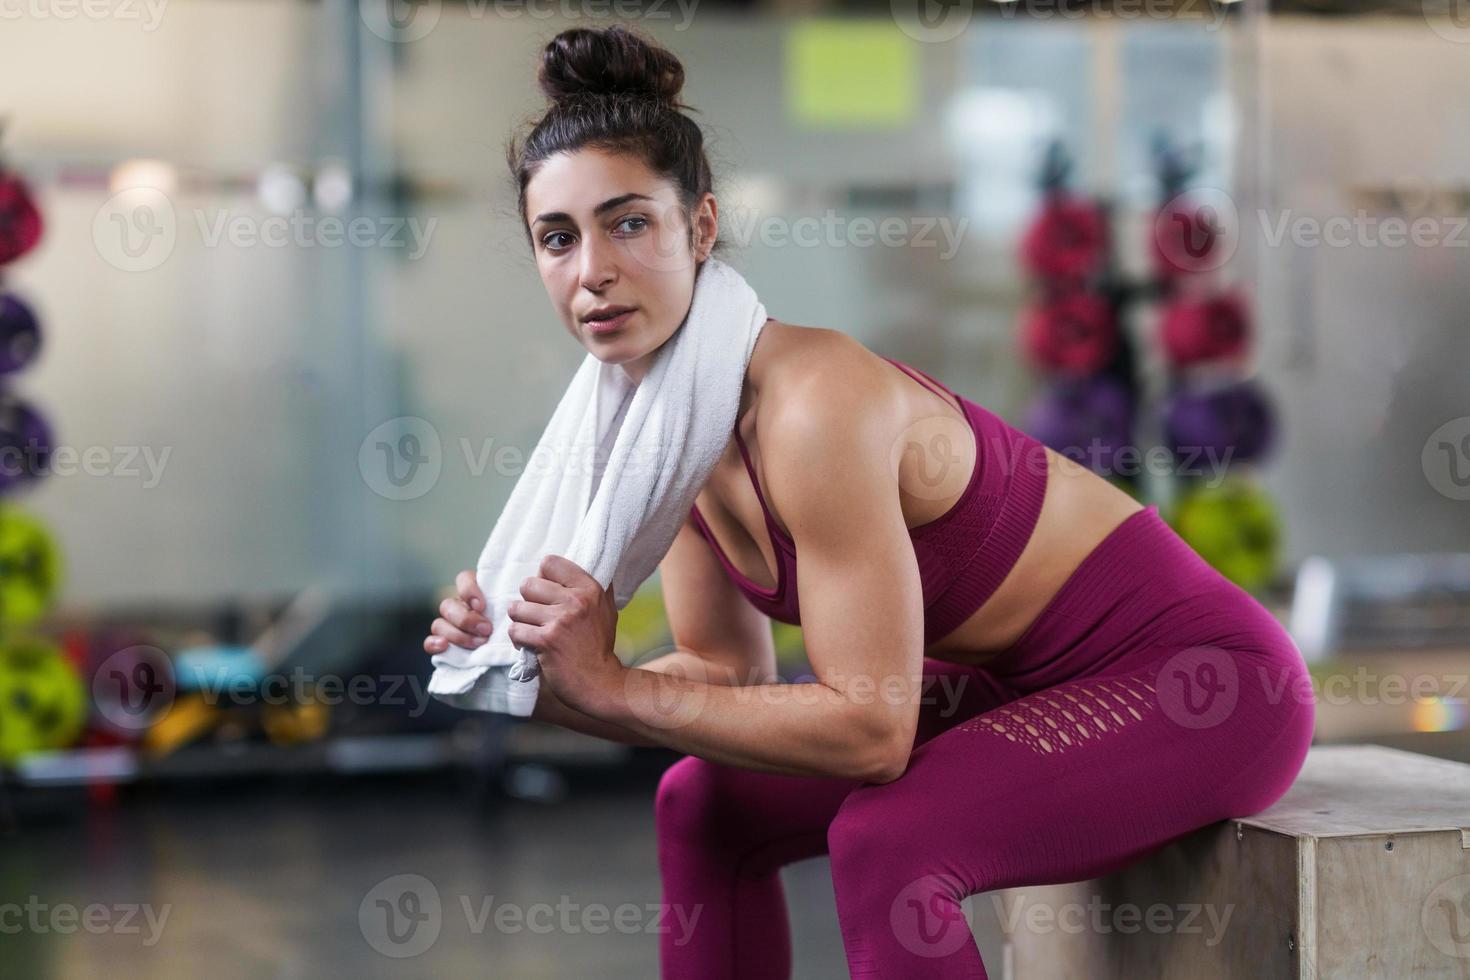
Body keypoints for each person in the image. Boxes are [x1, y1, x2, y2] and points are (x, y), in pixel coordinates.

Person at [423, 24, 1315, 979]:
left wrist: (613, 686)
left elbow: (872, 733)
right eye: (558, 239)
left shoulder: (813, 405)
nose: (591, 267)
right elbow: (725, 677)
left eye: (628, 221)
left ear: (703, 227)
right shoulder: (666, 438)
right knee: (702, 803)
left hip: (1200, 683)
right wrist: (539, 677)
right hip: (1018, 686)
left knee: (890, 840)